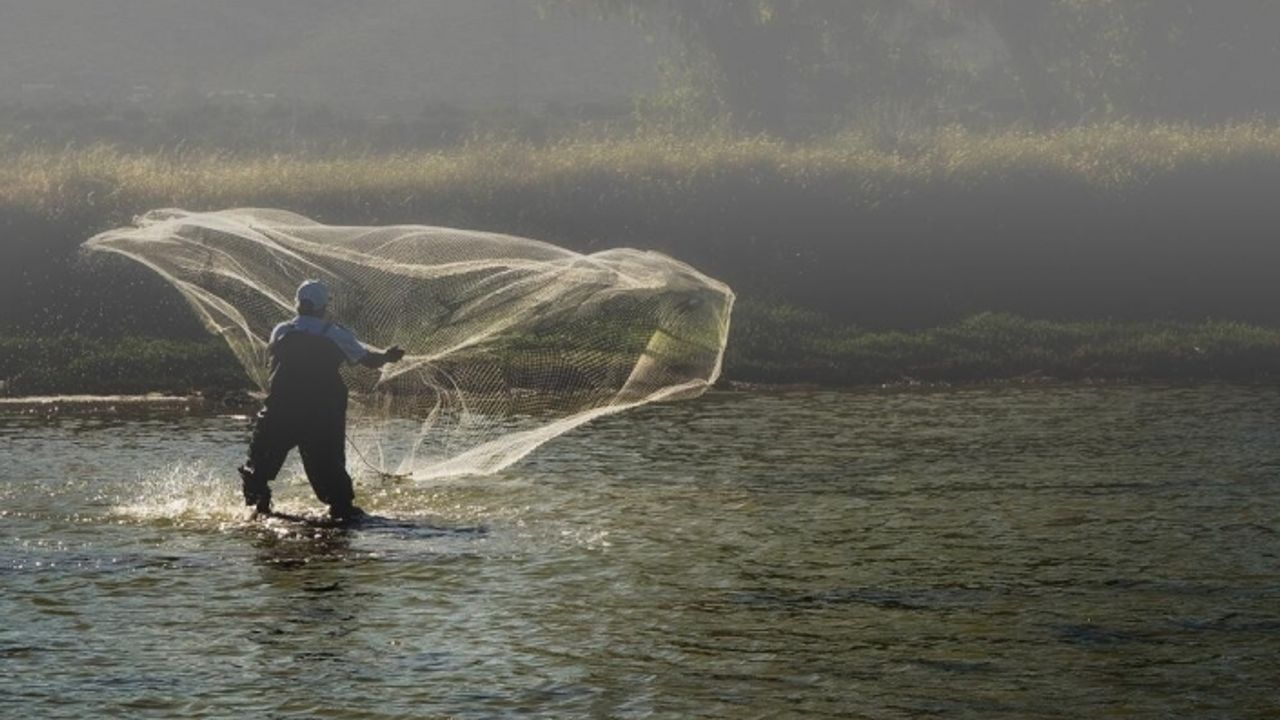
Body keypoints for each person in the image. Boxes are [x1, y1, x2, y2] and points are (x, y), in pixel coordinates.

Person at [237, 279, 405, 520]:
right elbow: (367, 360)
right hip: (321, 415)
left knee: (258, 466)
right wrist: (388, 356)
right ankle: (341, 517)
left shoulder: (282, 330)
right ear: (323, 307)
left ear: (298, 305)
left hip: (280, 411)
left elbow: (273, 360)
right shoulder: (336, 333)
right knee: (330, 471)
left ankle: (259, 514)